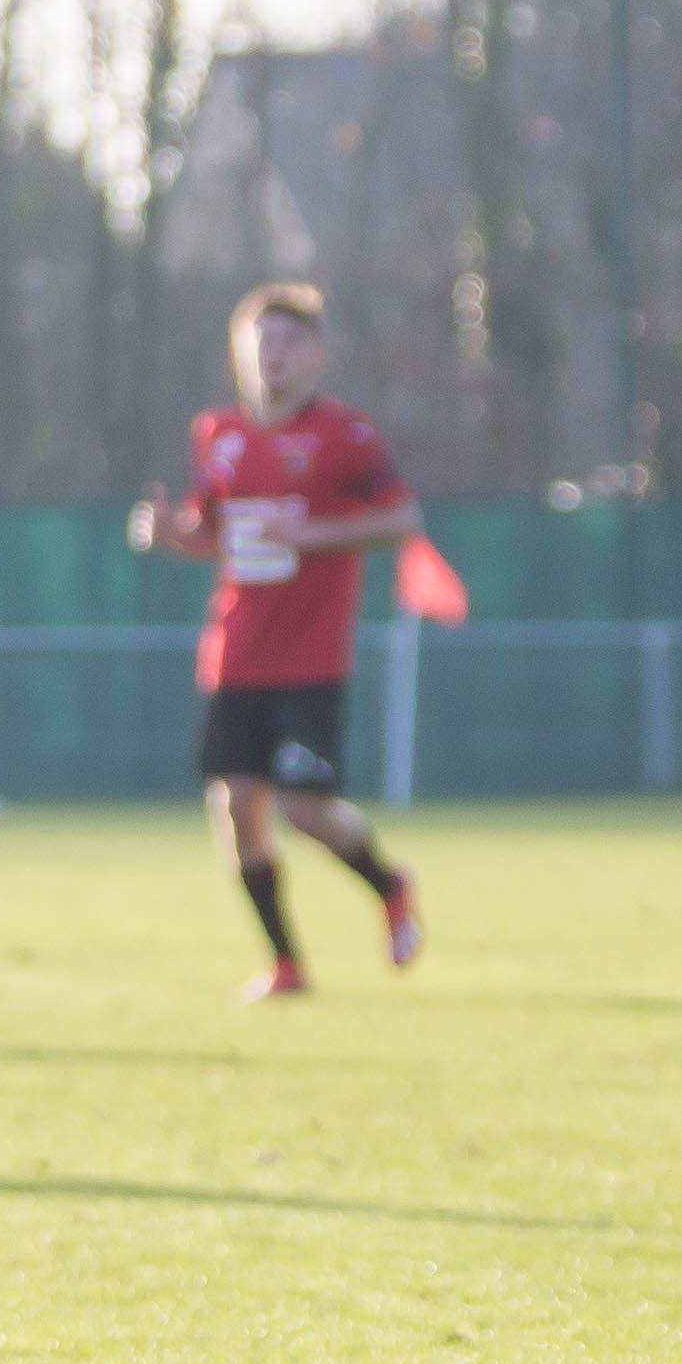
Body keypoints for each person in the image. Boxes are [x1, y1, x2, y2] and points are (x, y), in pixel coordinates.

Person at [125, 283, 426, 998]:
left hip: (311, 658)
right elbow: (212, 534)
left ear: (317, 354)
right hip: (235, 655)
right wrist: (168, 533)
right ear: (239, 354)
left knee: (303, 805)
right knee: (235, 808)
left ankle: (390, 885)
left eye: (291, 341)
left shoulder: (344, 435)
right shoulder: (217, 433)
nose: (275, 355)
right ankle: (287, 964)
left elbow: (403, 520)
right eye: (263, 342)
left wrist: (312, 533)